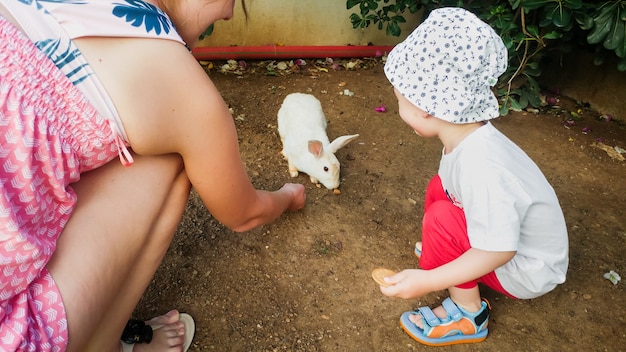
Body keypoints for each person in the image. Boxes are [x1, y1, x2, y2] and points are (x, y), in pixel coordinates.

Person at [0, 0, 306, 351]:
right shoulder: (171, 74)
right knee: (172, 155)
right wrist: (287, 196)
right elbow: (244, 213)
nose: (231, 13)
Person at [376, 7, 569, 346]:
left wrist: (430, 280)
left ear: (426, 106)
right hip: (512, 245)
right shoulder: (466, 137)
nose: (397, 106)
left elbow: (499, 251)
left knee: (442, 219)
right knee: (440, 191)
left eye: (399, 99)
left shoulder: (483, 167)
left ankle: (469, 314)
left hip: (526, 269)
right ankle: (449, 256)